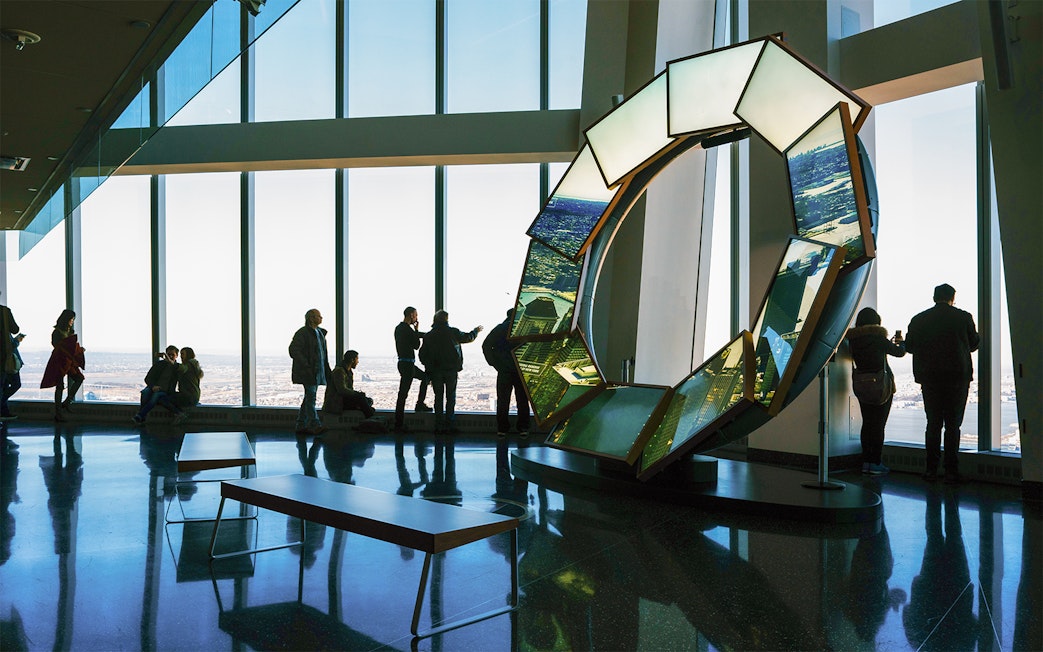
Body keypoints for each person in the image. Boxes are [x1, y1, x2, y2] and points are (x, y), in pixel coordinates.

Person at [905, 283, 980, 484]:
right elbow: (974, 343)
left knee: (933, 423)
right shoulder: (963, 317)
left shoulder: (919, 319)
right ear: (952, 298)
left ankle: (931, 469)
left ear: (934, 297)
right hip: (957, 378)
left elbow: (909, 346)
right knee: (953, 425)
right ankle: (951, 471)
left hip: (930, 378)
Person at [846, 307, 905, 475]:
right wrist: (901, 342)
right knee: (879, 425)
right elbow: (899, 353)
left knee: (867, 424)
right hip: (881, 386)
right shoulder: (879, 338)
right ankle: (876, 463)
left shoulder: (853, 341)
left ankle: (866, 462)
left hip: (862, 385)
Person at [419, 310, 482, 434]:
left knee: (438, 398)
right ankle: (450, 425)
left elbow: (422, 354)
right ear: (446, 319)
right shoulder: (453, 332)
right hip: (451, 370)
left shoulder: (429, 335)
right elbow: (468, 338)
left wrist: (429, 367)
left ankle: (439, 425)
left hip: (435, 371)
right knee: (451, 397)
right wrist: (476, 331)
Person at [482, 308, 531, 437]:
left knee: (503, 400)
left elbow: (486, 345)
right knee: (522, 400)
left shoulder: (500, 328)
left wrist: (494, 363)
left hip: (504, 371)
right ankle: (523, 428)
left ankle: (502, 429)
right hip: (520, 370)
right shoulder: (524, 328)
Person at [289, 308, 332, 435]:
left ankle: (300, 424)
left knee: (309, 397)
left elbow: (323, 355)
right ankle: (315, 424)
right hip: (309, 371)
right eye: (319, 316)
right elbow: (293, 350)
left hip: (317, 371)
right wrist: (306, 365)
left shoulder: (319, 333)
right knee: (311, 397)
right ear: (311, 318)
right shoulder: (303, 333)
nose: (321, 318)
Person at [40, 309, 85, 422]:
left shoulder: (66, 331)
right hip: (60, 361)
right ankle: (59, 412)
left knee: (78, 379)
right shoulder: (57, 332)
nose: (72, 321)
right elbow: (60, 347)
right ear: (66, 319)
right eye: (71, 319)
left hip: (68, 361)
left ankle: (66, 403)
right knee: (60, 386)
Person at [394, 306, 432, 433]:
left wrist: (419, 333)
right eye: (416, 315)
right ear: (411, 315)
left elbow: (414, 337)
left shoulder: (399, 328)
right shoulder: (407, 329)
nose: (417, 317)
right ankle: (399, 423)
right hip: (408, 365)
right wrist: (417, 330)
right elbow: (416, 345)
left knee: (424, 378)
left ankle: (417, 406)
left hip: (404, 363)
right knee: (403, 394)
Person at [133, 345, 184, 424]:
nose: (170, 357)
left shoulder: (177, 368)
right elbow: (148, 378)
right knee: (145, 393)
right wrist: (153, 386)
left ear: (176, 356)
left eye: (172, 355)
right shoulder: (159, 365)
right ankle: (142, 417)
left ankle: (140, 416)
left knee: (155, 396)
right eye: (168, 354)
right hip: (154, 387)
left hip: (166, 390)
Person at [322, 350, 375, 418]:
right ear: (352, 360)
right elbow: (341, 390)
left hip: (341, 400)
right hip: (337, 402)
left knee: (368, 401)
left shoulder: (347, 372)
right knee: (363, 400)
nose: (358, 362)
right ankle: (370, 418)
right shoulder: (339, 372)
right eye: (357, 359)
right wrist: (357, 394)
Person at [0, 294, 20, 420]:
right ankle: (2, 408)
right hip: (4, 355)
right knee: (14, 383)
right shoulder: (4, 311)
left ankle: (3, 410)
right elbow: (15, 329)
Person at [173, 347, 203, 425]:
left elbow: (182, 368)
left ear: (188, 355)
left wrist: (171, 361)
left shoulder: (189, 365)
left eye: (183, 354)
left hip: (188, 396)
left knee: (165, 398)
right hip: (194, 396)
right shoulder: (194, 365)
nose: (181, 356)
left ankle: (179, 414)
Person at [1, 333, 26, 421]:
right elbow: (9, 347)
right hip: (8, 364)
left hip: (5, 364)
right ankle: (2, 406)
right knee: (16, 384)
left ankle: (4, 412)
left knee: (4, 387)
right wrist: (17, 341)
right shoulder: (5, 331)